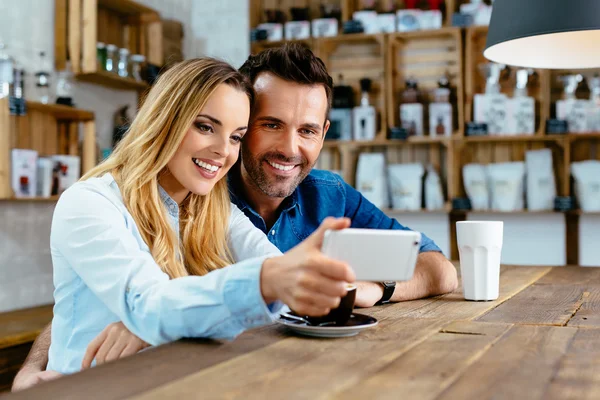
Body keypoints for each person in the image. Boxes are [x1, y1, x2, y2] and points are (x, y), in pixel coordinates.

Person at [12, 45, 457, 391]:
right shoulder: (89, 203)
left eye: (235, 136)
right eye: (205, 126)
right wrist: (268, 282)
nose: (222, 151)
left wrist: (323, 281)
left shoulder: (209, 208)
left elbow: (270, 276)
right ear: (165, 120)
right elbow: (145, 304)